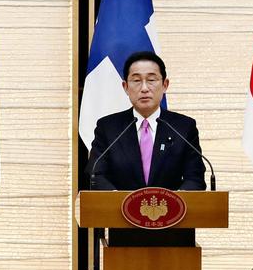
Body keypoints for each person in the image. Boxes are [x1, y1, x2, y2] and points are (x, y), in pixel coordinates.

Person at [85, 50, 206, 191]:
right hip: (119, 210)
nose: (144, 88)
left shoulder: (183, 127)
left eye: (151, 80)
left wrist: (177, 201)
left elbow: (195, 178)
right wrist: (118, 201)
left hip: (170, 211)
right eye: (136, 80)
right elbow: (95, 175)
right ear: (125, 87)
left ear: (165, 85)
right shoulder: (108, 128)